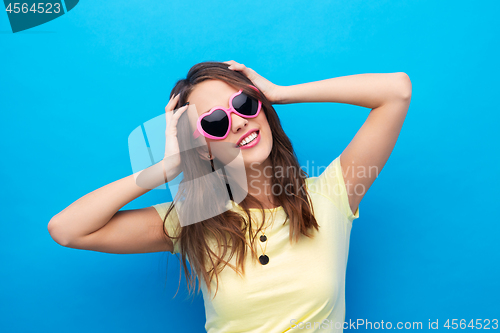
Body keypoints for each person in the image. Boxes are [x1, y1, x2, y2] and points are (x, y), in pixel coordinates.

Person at [48, 60, 412, 332]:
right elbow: (68, 229)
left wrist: (281, 93)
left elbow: (396, 91)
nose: (237, 121)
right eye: (215, 122)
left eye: (243, 103)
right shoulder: (193, 219)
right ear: (203, 149)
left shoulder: (332, 195)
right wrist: (164, 169)